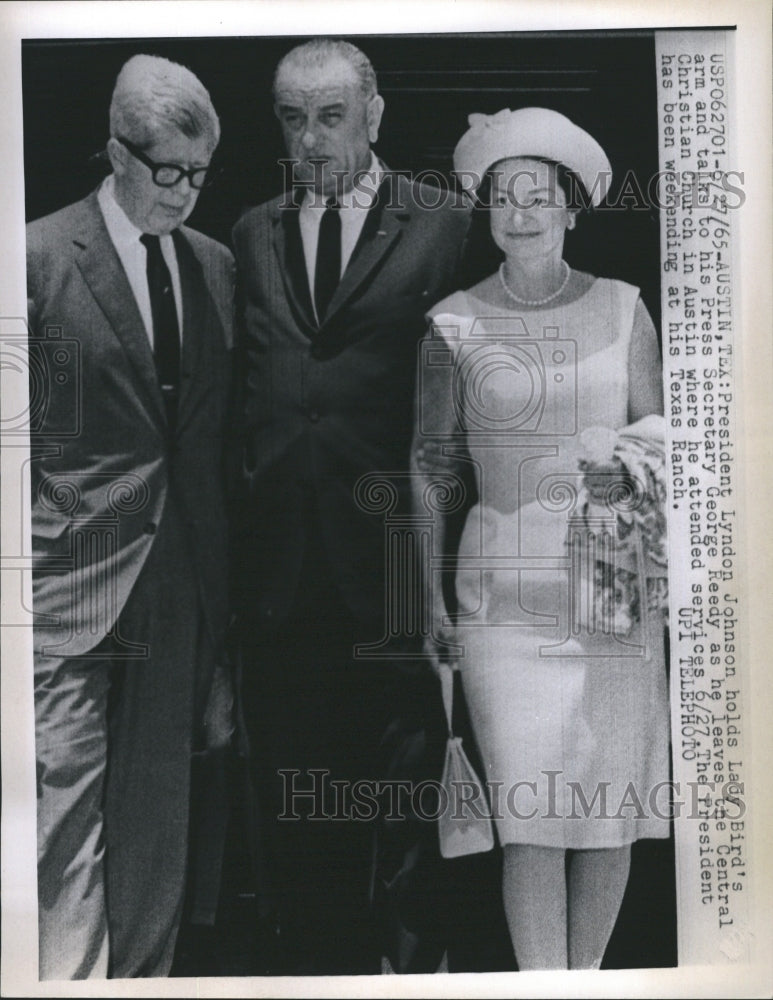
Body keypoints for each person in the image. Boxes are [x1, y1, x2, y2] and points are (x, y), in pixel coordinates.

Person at [232, 38, 470, 975]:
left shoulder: (447, 224)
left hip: (399, 566)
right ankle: (323, 974)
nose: (310, 136)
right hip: (284, 574)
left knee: (412, 799)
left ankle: (413, 976)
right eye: (292, 117)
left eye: (330, 115)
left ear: (374, 115)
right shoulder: (251, 231)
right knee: (300, 796)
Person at [413, 107, 670, 971]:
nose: (518, 215)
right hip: (502, 607)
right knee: (527, 816)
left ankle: (585, 984)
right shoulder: (452, 323)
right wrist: (428, 599)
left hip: (613, 594)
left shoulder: (621, 309)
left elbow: (667, 438)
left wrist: (625, 463)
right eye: (501, 200)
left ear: (571, 208)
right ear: (486, 213)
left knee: (604, 811)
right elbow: (429, 467)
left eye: (538, 198)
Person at [27, 54, 235, 979]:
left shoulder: (216, 268)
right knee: (61, 822)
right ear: (116, 152)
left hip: (175, 588)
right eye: (167, 172)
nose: (186, 194)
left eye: (200, 174)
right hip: (65, 584)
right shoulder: (34, 257)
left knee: (158, 820)